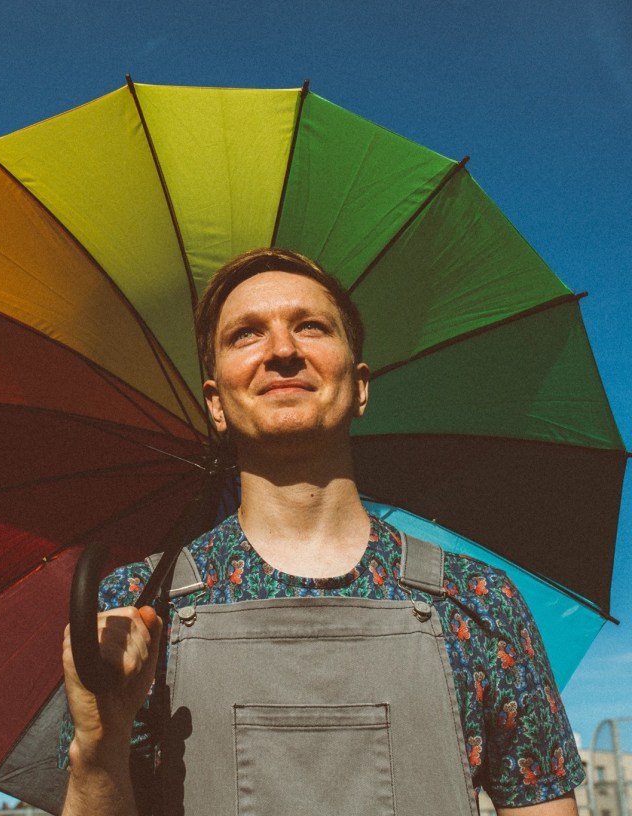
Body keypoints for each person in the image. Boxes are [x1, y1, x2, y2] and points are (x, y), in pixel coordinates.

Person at [60, 248, 584, 815]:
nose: (282, 350)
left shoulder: (480, 602)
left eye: (310, 326)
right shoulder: (135, 612)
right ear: (216, 403)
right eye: (246, 334)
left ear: (360, 387)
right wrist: (99, 744)